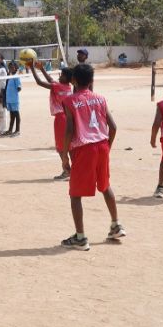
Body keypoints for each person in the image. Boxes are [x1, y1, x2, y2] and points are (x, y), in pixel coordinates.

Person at [61, 63, 125, 251]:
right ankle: (116, 225)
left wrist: (65, 156)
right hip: (102, 146)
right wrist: (108, 147)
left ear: (73, 80)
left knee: (75, 194)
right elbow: (113, 127)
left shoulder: (70, 101)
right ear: (92, 80)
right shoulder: (100, 99)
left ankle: (80, 238)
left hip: (84, 148)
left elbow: (70, 130)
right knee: (105, 186)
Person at [29, 60, 73, 179]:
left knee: (61, 148)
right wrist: (42, 69)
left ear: (67, 78)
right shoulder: (67, 86)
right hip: (68, 117)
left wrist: (32, 68)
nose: (60, 76)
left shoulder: (58, 86)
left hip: (60, 118)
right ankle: (74, 170)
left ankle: (67, 170)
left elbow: (40, 82)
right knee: (69, 146)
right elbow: (51, 81)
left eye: (62, 75)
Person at [3, 60, 22, 136]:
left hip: (14, 99)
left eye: (12, 67)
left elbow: (19, 87)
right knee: (12, 115)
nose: (11, 68)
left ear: (16, 68)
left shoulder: (16, 76)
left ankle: (17, 130)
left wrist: (18, 88)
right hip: (9, 99)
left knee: (16, 114)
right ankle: (10, 130)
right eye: (10, 67)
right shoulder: (9, 76)